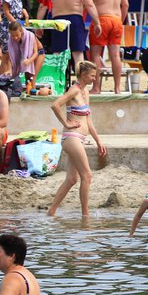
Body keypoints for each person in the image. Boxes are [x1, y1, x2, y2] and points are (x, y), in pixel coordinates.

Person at [48, 61, 106, 217]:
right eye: (92, 75)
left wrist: (98, 140)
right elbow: (55, 105)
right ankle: (85, 216)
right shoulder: (73, 90)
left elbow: (89, 121)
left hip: (80, 138)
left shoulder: (85, 92)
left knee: (72, 179)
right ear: (83, 74)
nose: (94, 78)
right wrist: (66, 122)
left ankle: (51, 212)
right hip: (71, 137)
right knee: (87, 175)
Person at [41, 0, 101, 70]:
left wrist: (39, 26)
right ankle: (80, 84)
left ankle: (56, 83)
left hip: (58, 20)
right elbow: (89, 4)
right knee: (78, 54)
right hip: (75, 19)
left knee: (57, 54)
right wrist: (97, 22)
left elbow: (43, 5)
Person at [87, 0, 129, 94]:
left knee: (95, 55)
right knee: (115, 55)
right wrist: (120, 21)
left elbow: (88, 1)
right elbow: (125, 4)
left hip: (102, 19)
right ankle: (117, 88)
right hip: (117, 21)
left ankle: (96, 88)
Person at [0, 0, 29, 74]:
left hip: (17, 26)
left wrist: (24, 12)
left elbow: (17, 9)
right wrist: (16, 25)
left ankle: (11, 77)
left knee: (15, 55)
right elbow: (6, 12)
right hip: (8, 27)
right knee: (6, 56)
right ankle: (3, 79)